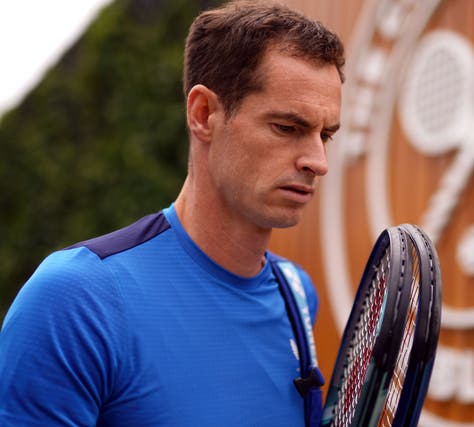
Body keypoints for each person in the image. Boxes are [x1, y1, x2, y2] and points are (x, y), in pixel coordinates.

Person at [0, 1, 345, 426]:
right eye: (287, 128)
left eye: (325, 134)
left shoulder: (296, 293)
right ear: (203, 115)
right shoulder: (76, 301)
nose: (318, 160)